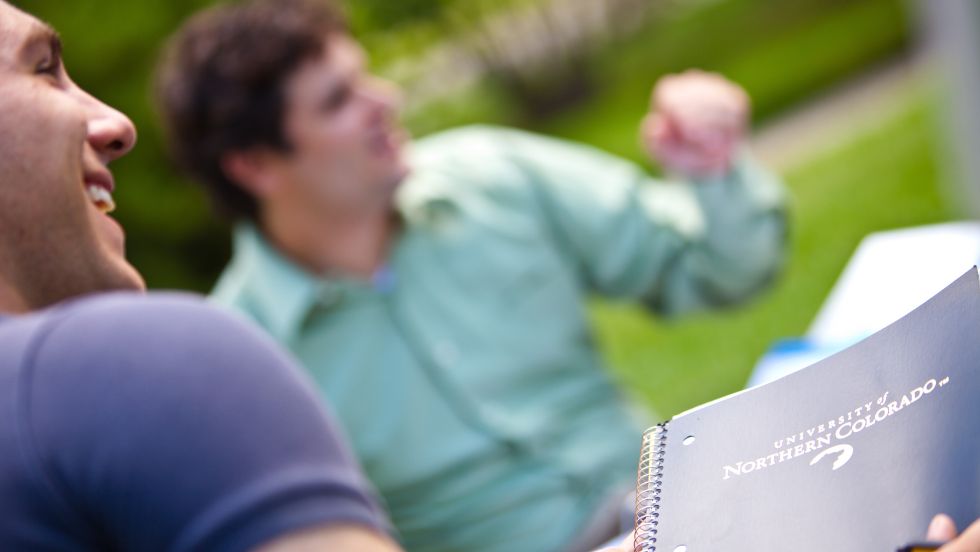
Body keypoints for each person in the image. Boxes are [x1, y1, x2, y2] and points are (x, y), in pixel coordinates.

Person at [155, 0, 788, 550]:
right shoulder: (243, 361)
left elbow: (719, 271)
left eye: (363, 76)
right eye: (338, 100)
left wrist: (707, 168)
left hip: (686, 509)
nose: (385, 101)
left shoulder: (495, 176)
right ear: (254, 165)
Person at [0, 1, 399, 549]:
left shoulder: (502, 183)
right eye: (43, 69)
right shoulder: (155, 370)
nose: (118, 126)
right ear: (253, 165)